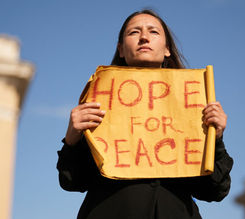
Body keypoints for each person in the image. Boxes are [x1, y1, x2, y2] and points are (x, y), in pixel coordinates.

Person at [57, 9, 233, 219]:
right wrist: (72, 140)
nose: (144, 37)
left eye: (153, 32)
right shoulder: (99, 102)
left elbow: (215, 190)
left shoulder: (193, 105)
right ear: (121, 49)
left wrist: (217, 139)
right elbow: (72, 181)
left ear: (167, 49)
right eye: (134, 32)